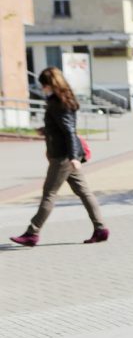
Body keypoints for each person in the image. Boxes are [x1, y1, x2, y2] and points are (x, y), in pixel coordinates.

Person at [10, 67, 109, 247]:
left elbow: (69, 131)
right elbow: (63, 127)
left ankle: (32, 233)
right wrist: (46, 130)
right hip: (67, 155)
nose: (42, 88)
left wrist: (73, 157)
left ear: (50, 84)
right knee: (84, 192)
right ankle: (100, 229)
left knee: (49, 193)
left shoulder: (58, 102)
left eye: (44, 85)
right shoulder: (63, 99)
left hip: (63, 157)